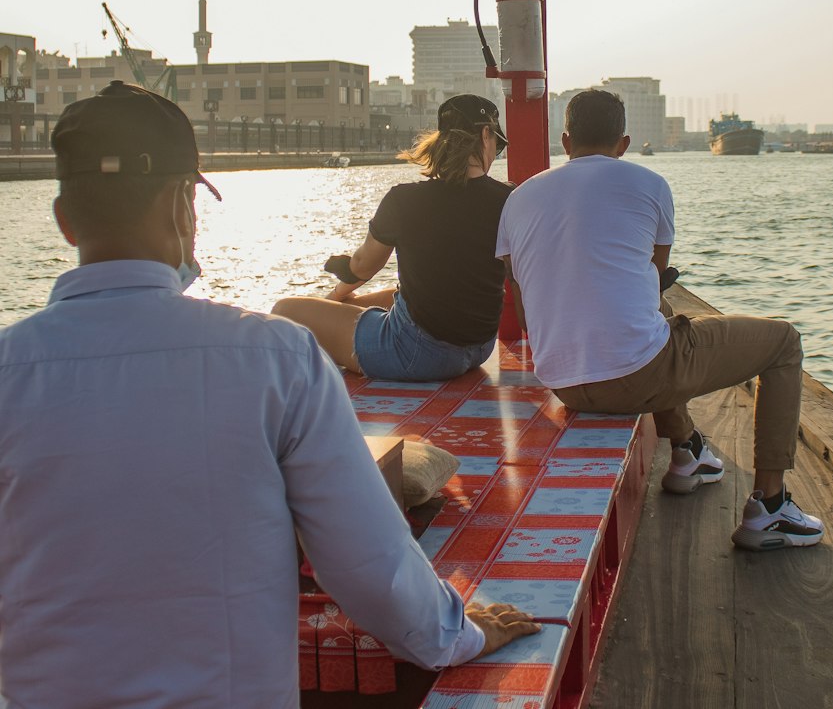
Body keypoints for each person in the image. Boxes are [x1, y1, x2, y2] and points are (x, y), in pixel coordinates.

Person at [0, 82, 537, 709]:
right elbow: (369, 566)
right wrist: (461, 635)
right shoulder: (277, 361)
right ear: (184, 207)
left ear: (65, 220)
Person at [496, 88, 825, 552]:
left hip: (561, 379)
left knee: (658, 323)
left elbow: (520, 284)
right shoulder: (649, 184)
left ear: (566, 141)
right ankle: (770, 508)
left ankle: (688, 451)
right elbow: (652, 274)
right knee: (783, 342)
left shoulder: (519, 198)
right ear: (624, 143)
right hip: (635, 374)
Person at [273, 95, 511, 381]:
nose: (494, 151)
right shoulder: (508, 198)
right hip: (479, 347)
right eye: (496, 145)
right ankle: (343, 312)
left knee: (285, 309)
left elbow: (362, 266)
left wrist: (335, 297)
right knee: (385, 297)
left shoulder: (405, 199)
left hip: (416, 355)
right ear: (486, 134)